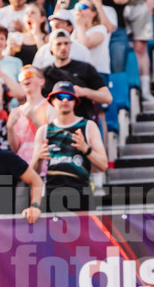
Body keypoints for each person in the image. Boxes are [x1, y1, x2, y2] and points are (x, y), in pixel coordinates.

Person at [30, 81, 108, 212]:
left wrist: (86, 149)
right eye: (60, 97)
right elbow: (33, 173)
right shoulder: (44, 131)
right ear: (52, 101)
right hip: (52, 196)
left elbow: (103, 165)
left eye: (69, 96)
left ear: (75, 101)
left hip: (80, 193)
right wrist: (38, 158)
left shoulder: (88, 126)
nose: (65, 100)